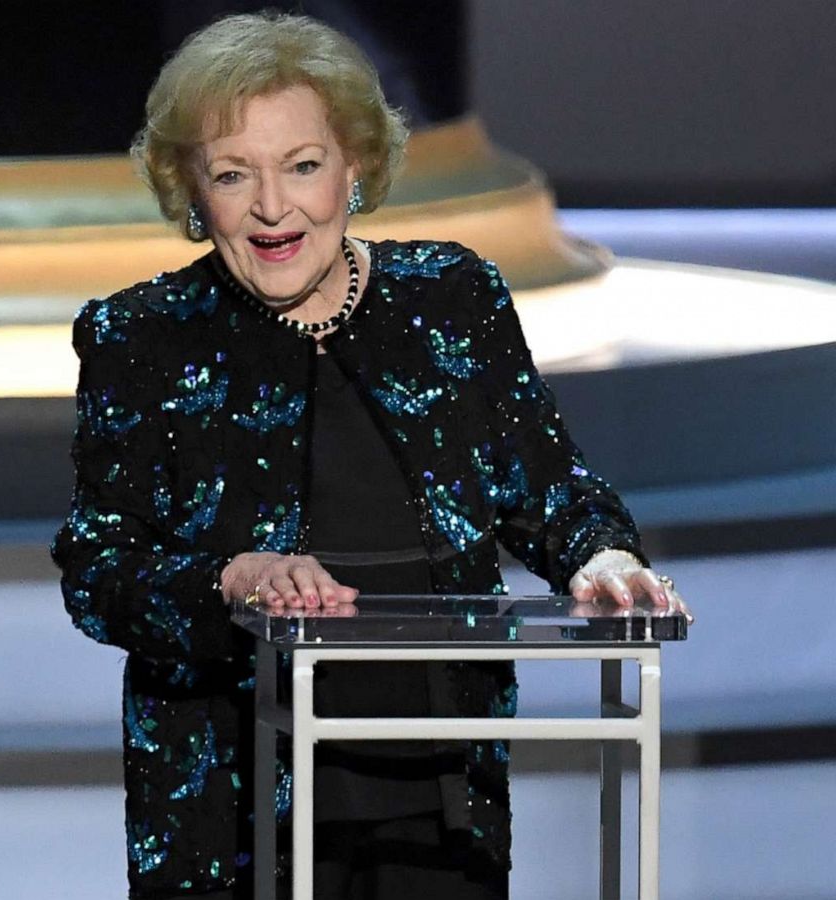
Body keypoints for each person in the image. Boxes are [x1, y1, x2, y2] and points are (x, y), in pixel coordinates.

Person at [50, 12, 689, 900]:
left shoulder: (451, 299)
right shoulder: (141, 337)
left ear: (353, 168)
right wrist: (231, 580)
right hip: (233, 810)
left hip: (435, 796)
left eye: (303, 166)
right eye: (235, 175)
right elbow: (99, 570)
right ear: (192, 190)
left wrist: (603, 556)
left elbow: (551, 488)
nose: (273, 208)